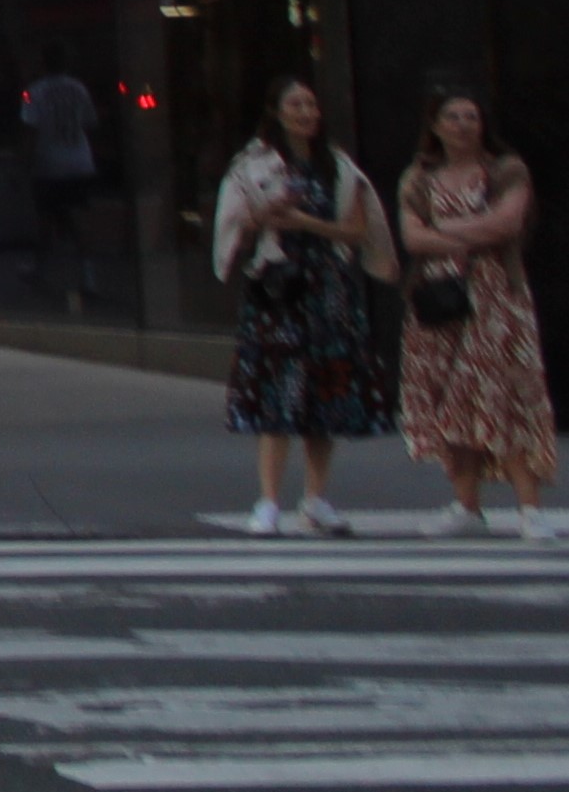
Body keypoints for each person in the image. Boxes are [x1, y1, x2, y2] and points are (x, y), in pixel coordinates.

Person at [214, 74, 395, 534]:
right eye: (296, 105)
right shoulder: (254, 164)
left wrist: (303, 221)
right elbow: (238, 223)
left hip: (329, 289)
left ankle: (315, 498)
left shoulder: (337, 166)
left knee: (325, 396)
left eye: (311, 105)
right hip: (277, 289)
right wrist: (265, 216)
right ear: (276, 111)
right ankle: (269, 500)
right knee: (277, 394)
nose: (306, 113)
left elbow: (356, 231)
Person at [397, 89, 553, 536]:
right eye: (453, 116)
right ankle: (465, 504)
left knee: (502, 391)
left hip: (497, 295)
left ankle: (530, 508)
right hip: (438, 297)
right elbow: (412, 239)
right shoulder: (419, 176)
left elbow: (506, 224)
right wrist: (467, 238)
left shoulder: (506, 170)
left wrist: (443, 229)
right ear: (436, 125)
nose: (464, 124)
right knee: (449, 393)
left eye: (472, 116)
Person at [24, 44, 104, 312]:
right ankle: (89, 276)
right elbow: (90, 122)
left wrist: (27, 160)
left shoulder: (35, 91)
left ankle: (38, 267)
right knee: (80, 218)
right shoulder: (79, 89)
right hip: (79, 161)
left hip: (50, 162)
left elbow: (30, 128)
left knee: (45, 216)